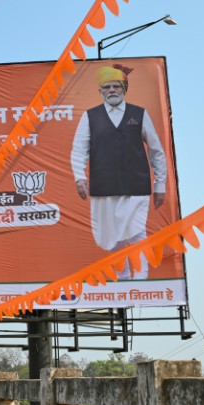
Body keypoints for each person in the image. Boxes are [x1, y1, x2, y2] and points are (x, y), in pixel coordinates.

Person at [70, 64, 167, 280]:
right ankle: (122, 274)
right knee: (111, 236)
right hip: (104, 187)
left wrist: (160, 184)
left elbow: (156, 151)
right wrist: (79, 177)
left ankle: (141, 277)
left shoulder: (139, 114)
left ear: (124, 89)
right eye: (107, 87)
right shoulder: (89, 117)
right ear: (100, 91)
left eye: (116, 86)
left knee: (137, 230)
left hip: (137, 184)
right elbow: (79, 150)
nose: (112, 90)